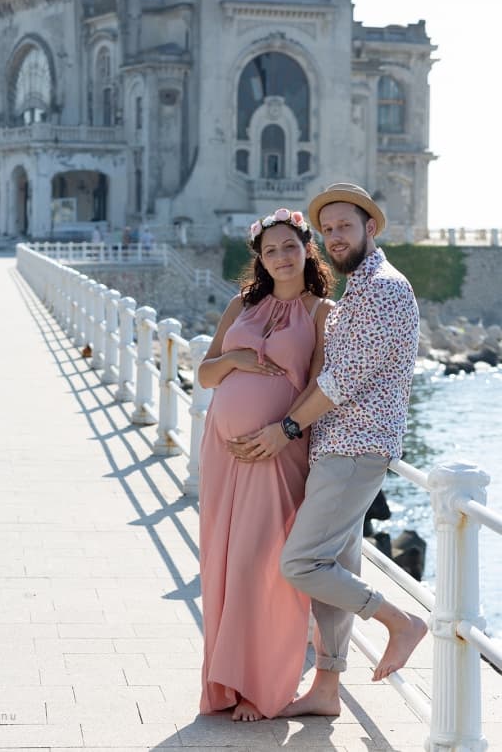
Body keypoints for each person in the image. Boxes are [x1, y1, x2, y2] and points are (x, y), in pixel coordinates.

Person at [229, 183, 427, 718]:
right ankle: (326, 689)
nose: (337, 236)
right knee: (335, 563)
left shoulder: (383, 288)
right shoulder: (356, 290)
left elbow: (341, 382)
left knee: (300, 562)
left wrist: (283, 430)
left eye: (346, 225)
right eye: (329, 229)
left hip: (356, 448)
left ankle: (400, 621)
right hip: (334, 446)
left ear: (371, 228)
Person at [198, 207, 335, 721]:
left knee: (261, 565)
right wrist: (234, 360)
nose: (281, 256)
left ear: (307, 250)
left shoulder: (322, 313)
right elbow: (205, 375)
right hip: (221, 452)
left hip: (276, 452)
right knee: (222, 560)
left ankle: (261, 685)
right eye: (270, 249)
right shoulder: (240, 305)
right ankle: (225, 683)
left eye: (290, 247)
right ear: (259, 257)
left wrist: (282, 434)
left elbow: (319, 387)